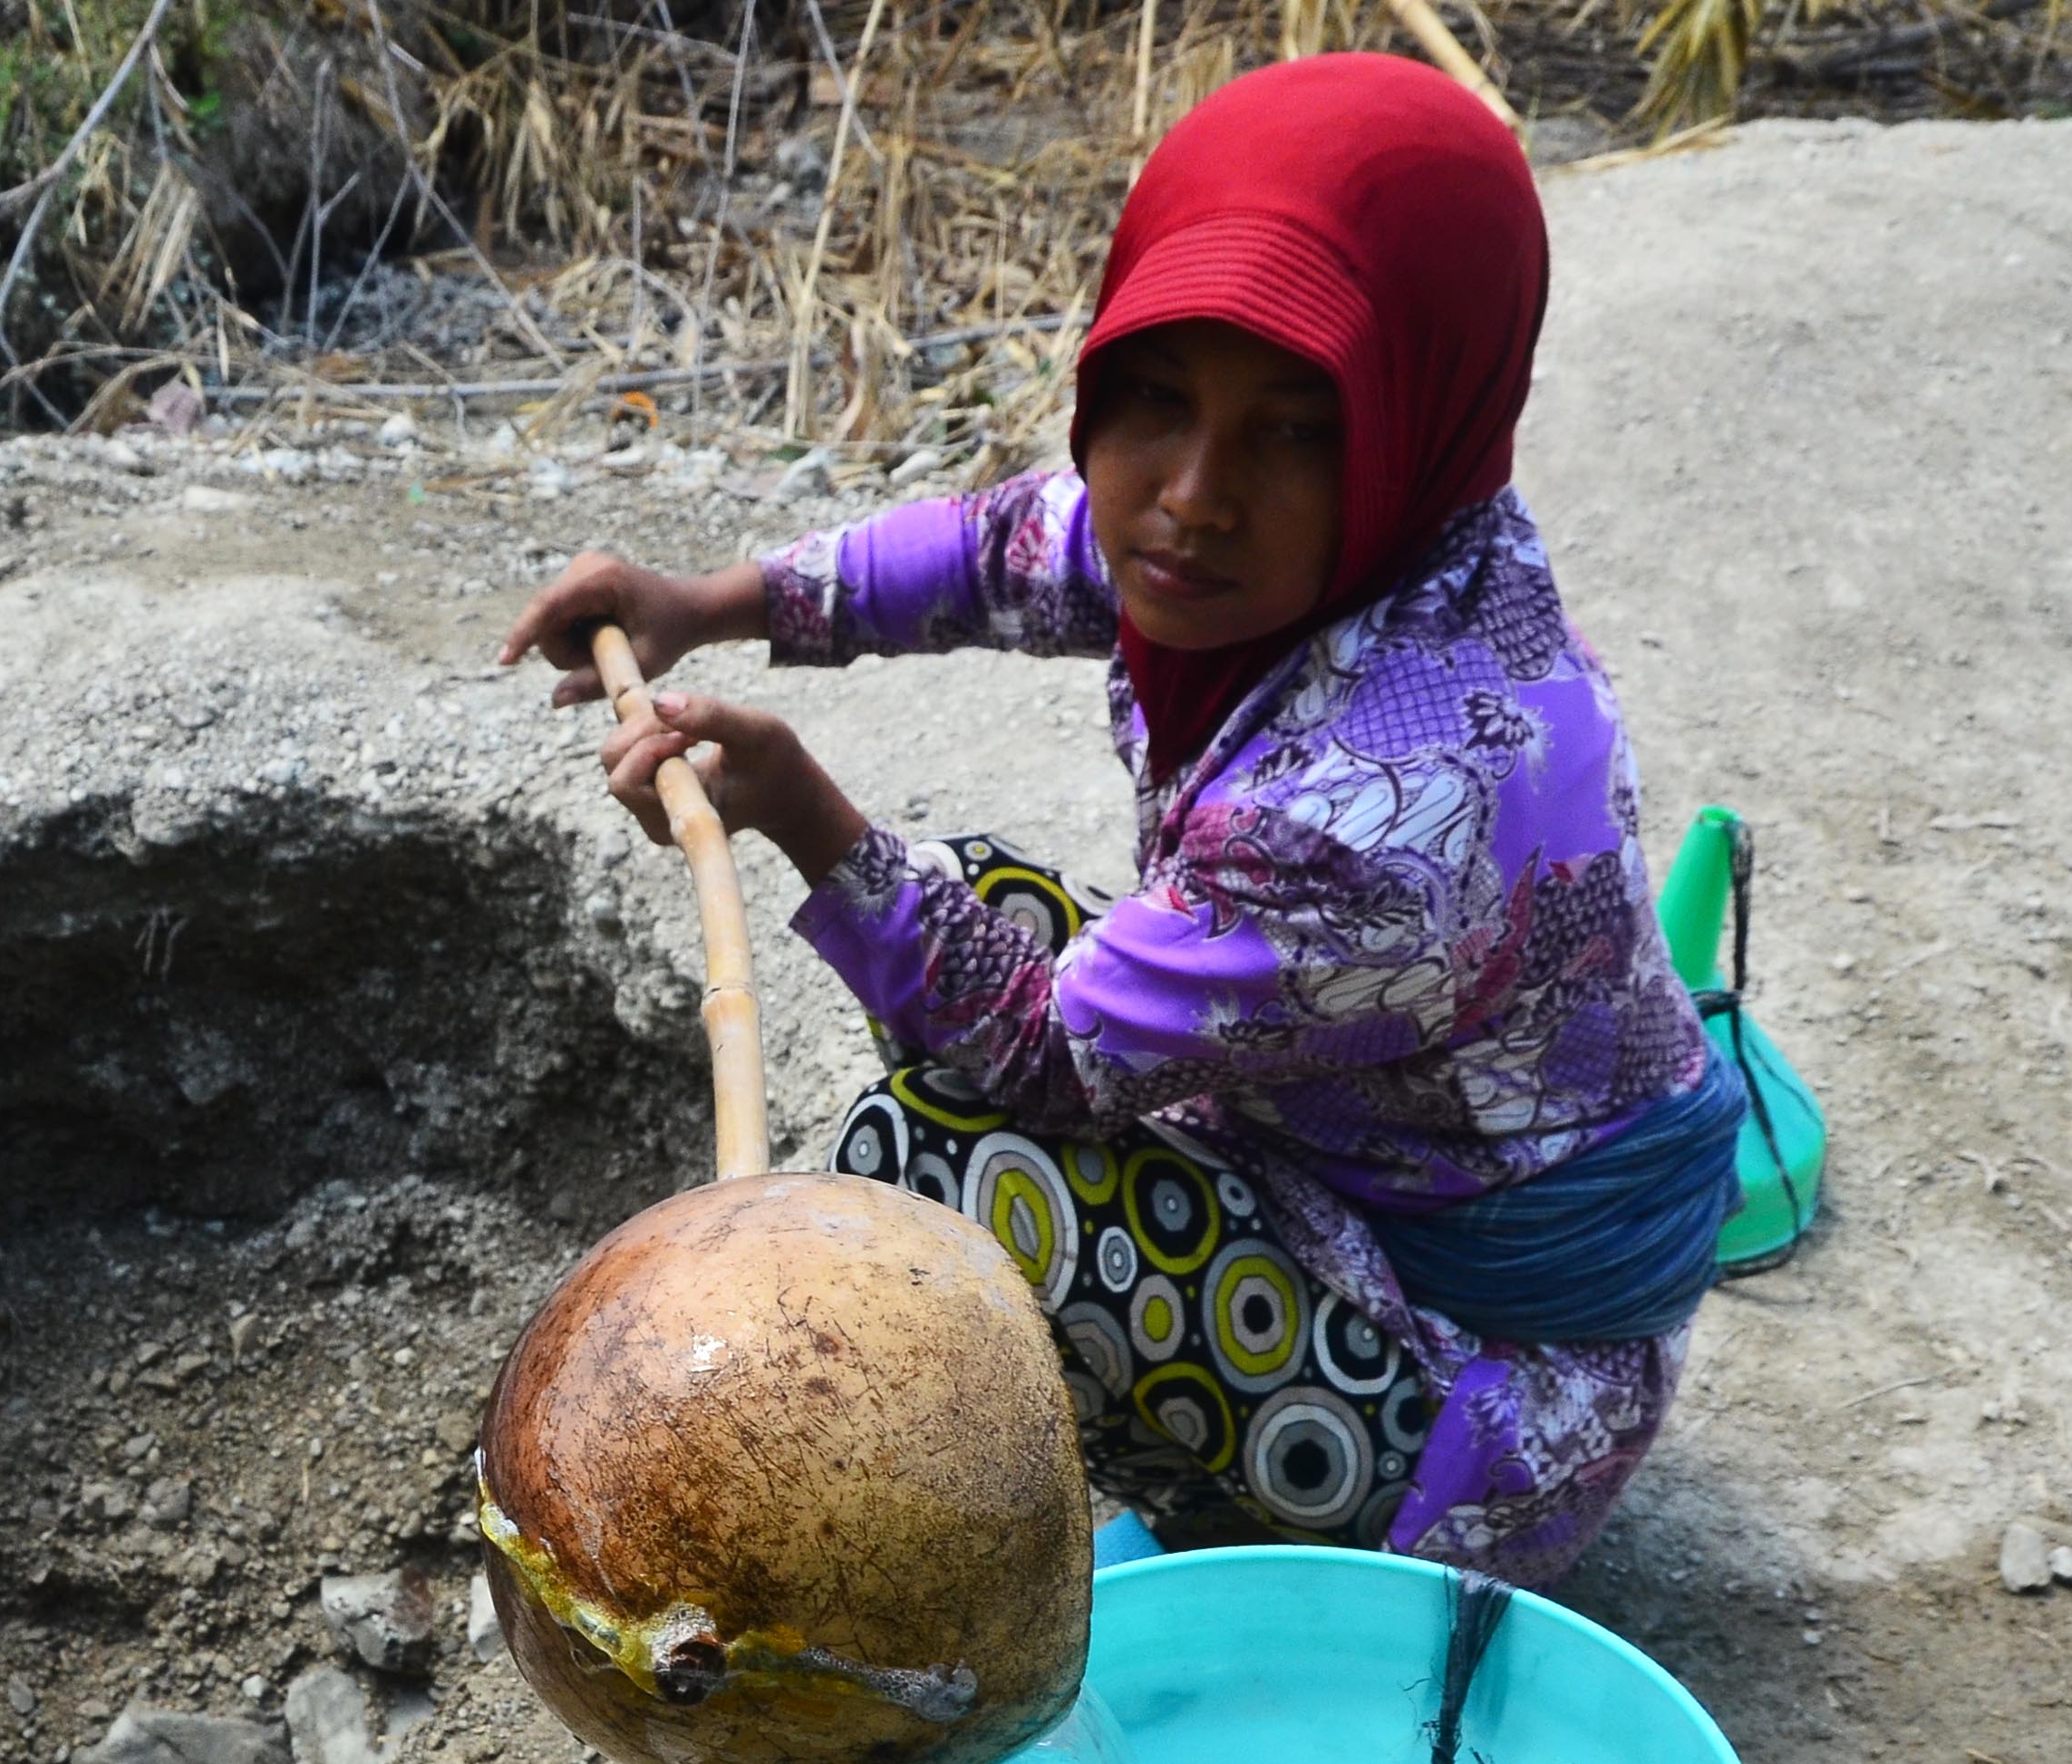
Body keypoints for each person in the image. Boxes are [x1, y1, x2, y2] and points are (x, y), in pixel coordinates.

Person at [498, 53, 1745, 1588]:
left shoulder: (1385, 808)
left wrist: (801, 812)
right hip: (1370, 1156)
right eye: (1155, 398)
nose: (1194, 495)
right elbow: (1016, 547)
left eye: (1295, 430)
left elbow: (1041, 1057)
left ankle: (1270, 1517)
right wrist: (706, 602)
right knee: (976, 898)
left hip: (1486, 1378)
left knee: (945, 1170)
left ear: (1412, 419)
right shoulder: (1372, 535)